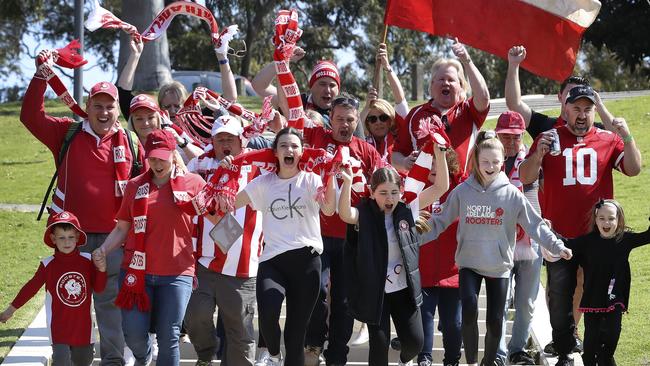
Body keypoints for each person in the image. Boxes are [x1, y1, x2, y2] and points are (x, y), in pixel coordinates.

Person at [21, 49, 146, 365]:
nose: (103, 112)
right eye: (97, 105)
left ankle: (113, 361)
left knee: (109, 304)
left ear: (118, 110)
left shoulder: (130, 142)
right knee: (71, 300)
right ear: (87, 106)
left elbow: (146, 187)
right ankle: (73, 359)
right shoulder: (67, 132)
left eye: (109, 106)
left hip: (112, 239)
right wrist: (40, 76)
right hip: (70, 239)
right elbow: (29, 116)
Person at [505, 45, 620, 356]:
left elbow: (618, 140)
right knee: (558, 287)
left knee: (582, 280)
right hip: (556, 222)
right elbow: (514, 104)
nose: (578, 106)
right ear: (561, 99)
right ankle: (563, 331)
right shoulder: (545, 126)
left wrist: (601, 107)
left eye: (586, 101)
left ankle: (571, 332)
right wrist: (514, 65)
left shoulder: (596, 130)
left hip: (591, 223)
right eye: (572, 96)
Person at [422, 131, 573, 366]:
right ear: (476, 162)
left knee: (494, 320)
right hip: (469, 263)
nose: (490, 166)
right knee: (470, 308)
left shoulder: (512, 194)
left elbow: (534, 224)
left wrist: (556, 245)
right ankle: (471, 357)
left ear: (502, 162)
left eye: (495, 162)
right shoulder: (462, 191)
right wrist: (411, 239)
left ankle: (489, 362)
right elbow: (439, 222)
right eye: (485, 162)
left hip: (499, 266)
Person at [518, 85, 642, 366]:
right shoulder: (549, 136)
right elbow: (525, 177)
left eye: (587, 109)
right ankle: (563, 351)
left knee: (597, 293)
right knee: (560, 296)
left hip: (597, 236)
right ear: (565, 109)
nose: (582, 114)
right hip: (559, 235)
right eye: (577, 108)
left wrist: (628, 137)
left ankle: (597, 351)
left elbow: (634, 169)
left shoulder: (608, 139)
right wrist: (538, 154)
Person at [216, 127, 337, 366]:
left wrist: (331, 175)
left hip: (307, 261)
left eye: (294, 146)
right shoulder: (264, 183)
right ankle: (272, 354)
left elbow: (329, 210)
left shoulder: (311, 180)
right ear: (275, 153)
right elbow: (229, 204)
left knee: (295, 334)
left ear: (302, 152)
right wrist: (228, 172)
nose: (289, 150)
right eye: (283, 146)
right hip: (273, 261)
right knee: (269, 313)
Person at [93, 129, 206, 365]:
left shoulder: (193, 182)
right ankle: (143, 356)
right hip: (137, 273)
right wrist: (103, 250)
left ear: (173, 154)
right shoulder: (135, 185)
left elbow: (215, 218)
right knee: (133, 334)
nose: (157, 163)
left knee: (169, 336)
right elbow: (122, 228)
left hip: (177, 273)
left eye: (162, 157)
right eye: (152, 158)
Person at [339, 132, 449, 366]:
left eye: (394, 192)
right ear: (371, 193)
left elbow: (441, 187)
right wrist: (347, 182)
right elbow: (345, 215)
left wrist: (439, 154)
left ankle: (404, 361)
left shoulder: (407, 208)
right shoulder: (365, 213)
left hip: (403, 288)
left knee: (415, 342)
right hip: (375, 291)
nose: (389, 198)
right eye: (383, 193)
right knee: (378, 346)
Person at [301, 94, 385, 366]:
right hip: (318, 234)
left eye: (350, 120)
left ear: (357, 120)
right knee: (317, 291)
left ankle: (337, 355)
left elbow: (384, 184)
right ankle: (313, 343)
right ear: (330, 119)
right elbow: (291, 107)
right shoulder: (316, 138)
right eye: (339, 119)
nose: (345, 125)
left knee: (345, 302)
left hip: (353, 239)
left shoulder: (367, 150)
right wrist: (283, 63)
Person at [184, 115, 264, 366]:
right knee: (196, 318)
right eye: (220, 139)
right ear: (212, 142)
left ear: (242, 141)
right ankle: (206, 355)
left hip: (243, 266)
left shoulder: (258, 166)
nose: (226, 143)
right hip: (204, 262)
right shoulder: (198, 165)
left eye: (231, 138)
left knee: (240, 335)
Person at [0, 211, 107, 366]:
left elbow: (99, 288)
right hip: (59, 328)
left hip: (83, 328)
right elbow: (31, 288)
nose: (67, 242)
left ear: (77, 237)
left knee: (83, 361)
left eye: (71, 237)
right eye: (61, 237)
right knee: (61, 361)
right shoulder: (47, 265)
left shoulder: (88, 260)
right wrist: (11, 310)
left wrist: (102, 270)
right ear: (53, 239)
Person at [562, 200, 650, 366]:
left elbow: (647, 236)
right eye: (601, 218)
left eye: (611, 218)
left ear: (619, 220)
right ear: (595, 220)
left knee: (613, 332)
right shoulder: (587, 242)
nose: (606, 222)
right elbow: (565, 243)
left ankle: (606, 357)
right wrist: (546, 228)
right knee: (591, 340)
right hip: (592, 298)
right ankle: (590, 359)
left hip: (614, 296)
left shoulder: (625, 239)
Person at [392, 39, 490, 174]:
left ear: (461, 87)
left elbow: (484, 97)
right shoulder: (416, 114)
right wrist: (404, 162)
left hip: (461, 191)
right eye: (441, 79)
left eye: (451, 80)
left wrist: (467, 61)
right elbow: (396, 155)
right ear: (431, 86)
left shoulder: (469, 110)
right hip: (425, 192)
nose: (446, 83)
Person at [492, 111, 542, 365]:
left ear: (522, 136)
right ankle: (499, 353)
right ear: (498, 136)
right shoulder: (488, 163)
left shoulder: (533, 161)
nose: (511, 142)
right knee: (499, 301)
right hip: (499, 240)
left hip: (530, 241)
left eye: (516, 137)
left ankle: (517, 349)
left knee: (526, 302)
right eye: (506, 137)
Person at [116, 35, 204, 163]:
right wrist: (135, 55)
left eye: (177, 106)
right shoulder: (148, 122)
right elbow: (123, 93)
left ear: (185, 107)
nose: (173, 111)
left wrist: (223, 59)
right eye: (167, 107)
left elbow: (204, 161)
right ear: (159, 111)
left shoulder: (198, 127)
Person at [417, 149, 464, 366]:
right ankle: (424, 358)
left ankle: (452, 360)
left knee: (453, 323)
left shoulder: (461, 188)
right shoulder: (414, 188)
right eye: (431, 162)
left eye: (441, 161)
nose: (435, 167)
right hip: (422, 269)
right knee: (424, 317)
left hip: (452, 270)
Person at [360, 43, 410, 165]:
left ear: (391, 120)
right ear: (367, 123)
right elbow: (357, 128)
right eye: (372, 119)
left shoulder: (400, 135)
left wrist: (387, 67)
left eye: (383, 117)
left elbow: (400, 99)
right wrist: (367, 107)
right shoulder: (363, 142)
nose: (378, 122)